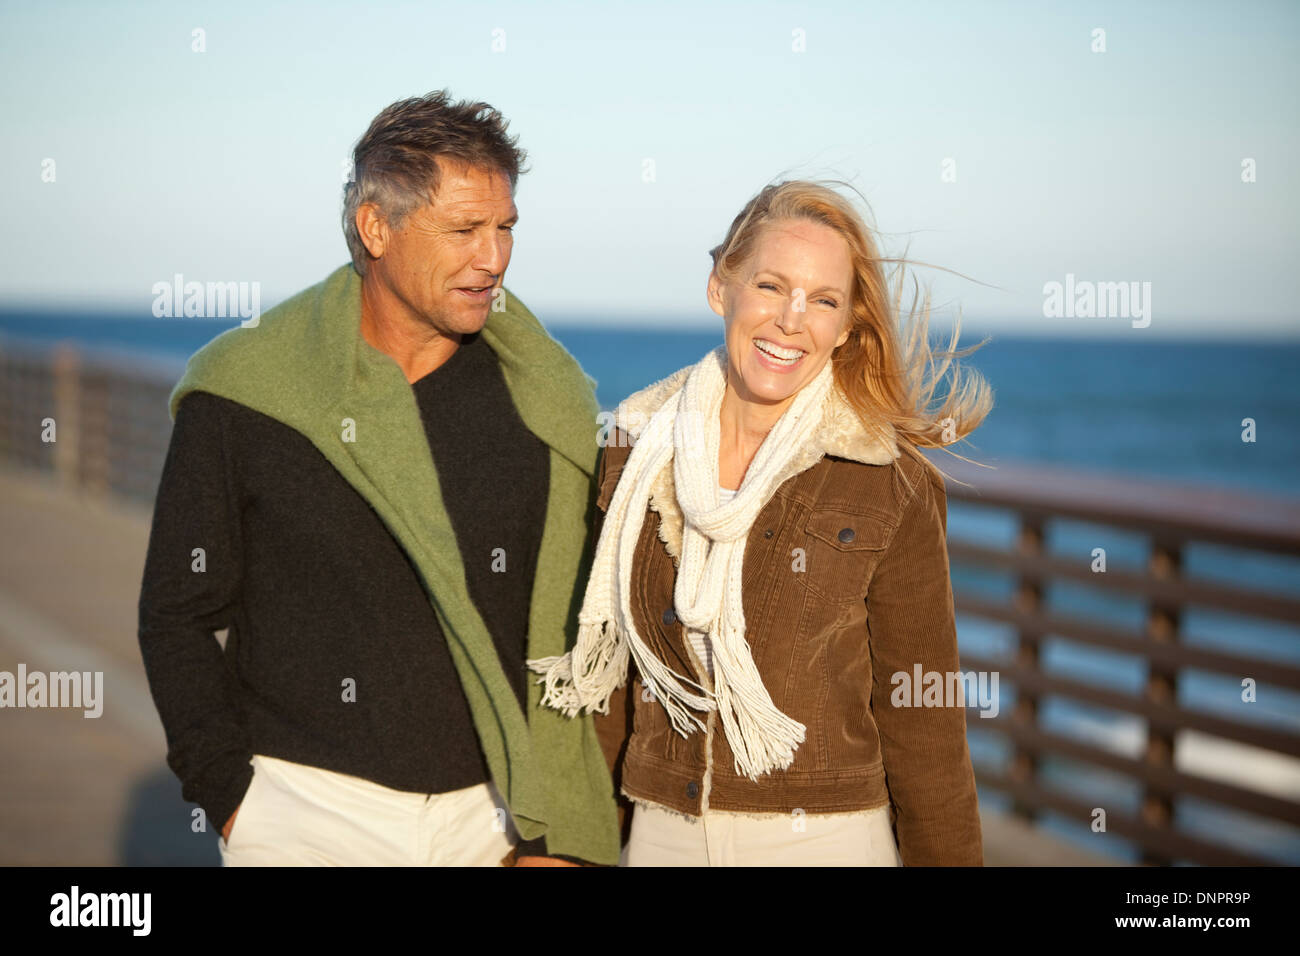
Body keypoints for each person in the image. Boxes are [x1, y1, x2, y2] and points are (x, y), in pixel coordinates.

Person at [137, 91, 620, 867]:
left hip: (490, 820)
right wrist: (231, 800)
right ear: (376, 228)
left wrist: (551, 833)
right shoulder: (249, 390)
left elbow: (573, 629)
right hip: (303, 813)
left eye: (504, 229)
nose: (493, 257)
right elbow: (176, 615)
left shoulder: (540, 399)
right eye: (465, 229)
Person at [530, 180, 992, 866]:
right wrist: (565, 844)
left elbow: (923, 718)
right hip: (661, 836)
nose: (791, 319)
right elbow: (616, 685)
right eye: (772, 286)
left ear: (846, 327)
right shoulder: (635, 446)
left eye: (824, 300)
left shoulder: (889, 482)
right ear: (722, 287)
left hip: (827, 842)